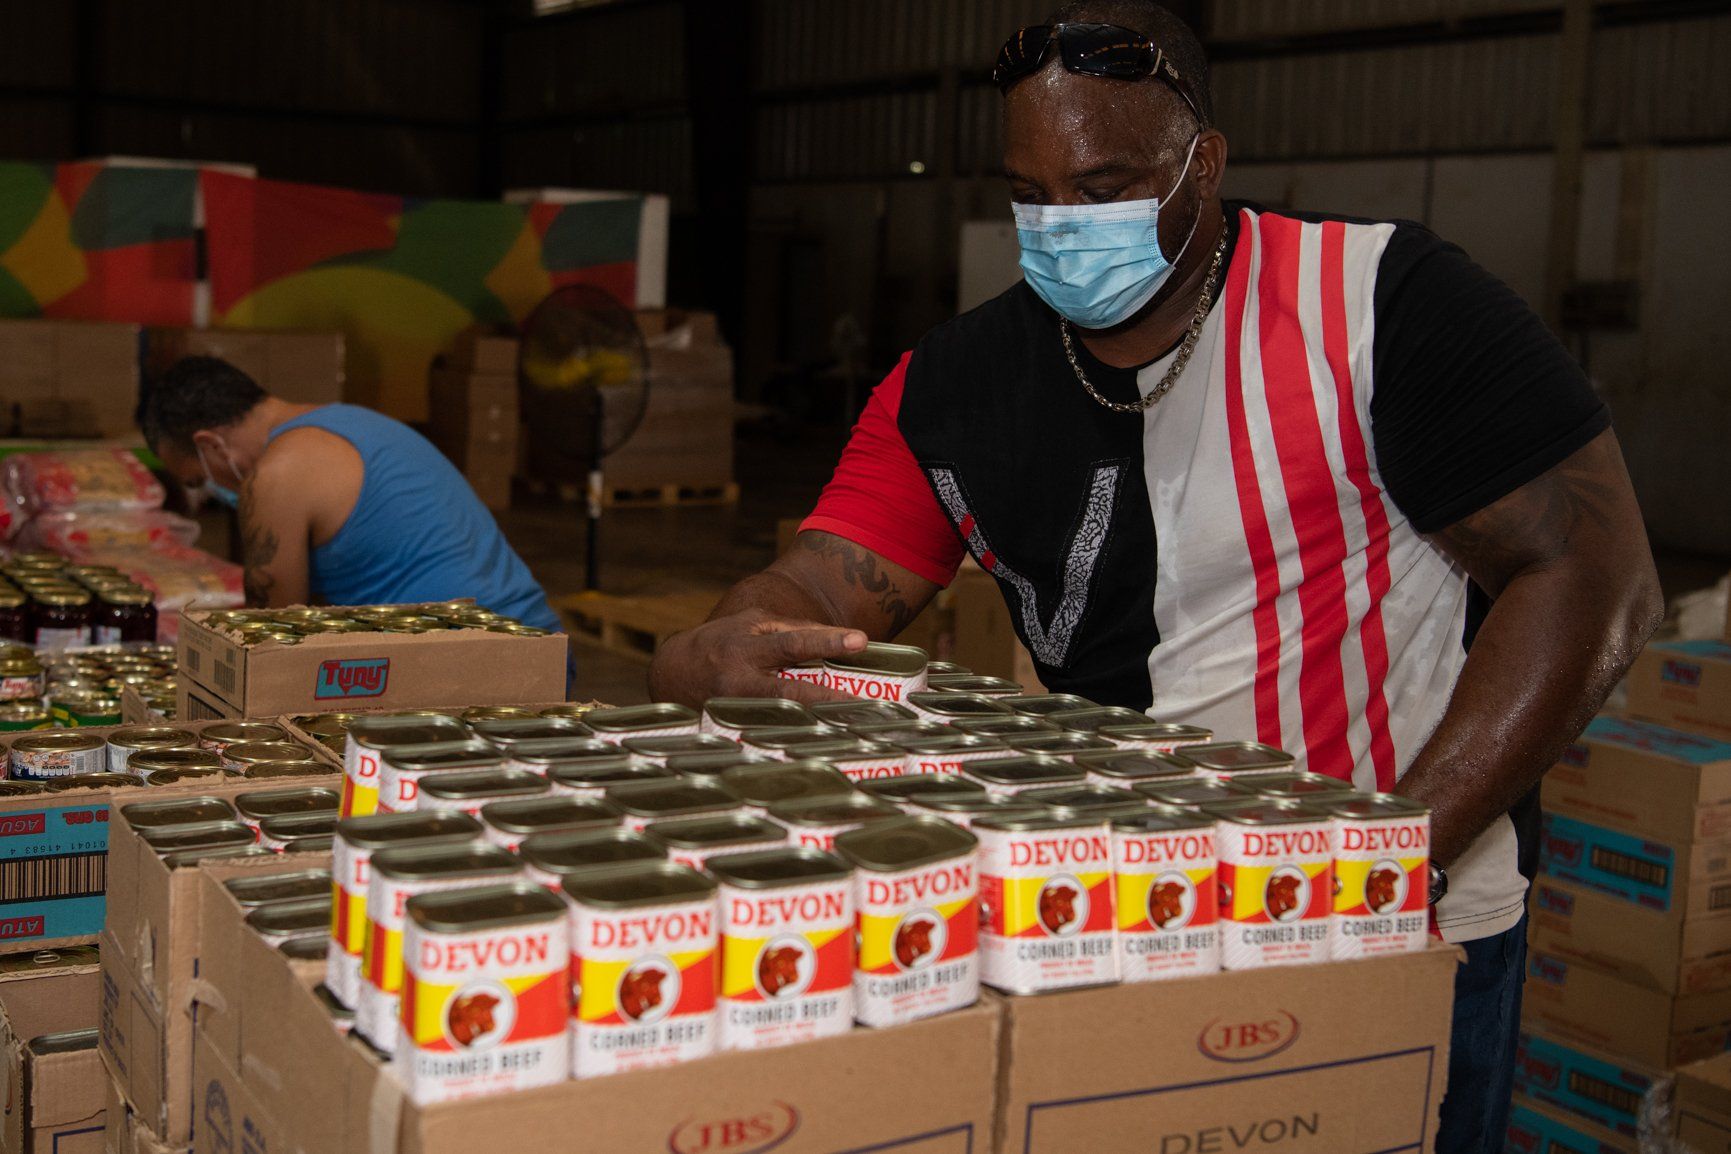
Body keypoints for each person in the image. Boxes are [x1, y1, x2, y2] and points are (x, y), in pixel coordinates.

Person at [649, 3, 1662, 1149]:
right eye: (1030, 193)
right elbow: (815, 593)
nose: (1062, 225)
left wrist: (1388, 863)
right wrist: (730, 640)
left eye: (1104, 188)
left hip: (1401, 931)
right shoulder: (954, 387)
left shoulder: (1380, 303)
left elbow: (1593, 573)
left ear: (1204, 163)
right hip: (1111, 926)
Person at [139, 355, 561, 631]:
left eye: (197, 480)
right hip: (535, 635)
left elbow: (271, 632)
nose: (208, 494)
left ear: (211, 445)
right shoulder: (350, 420)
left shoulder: (275, 476)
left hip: (480, 661)